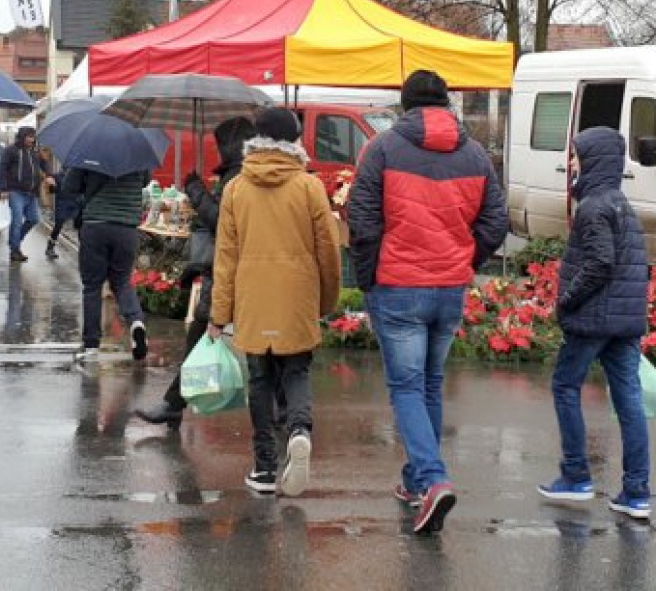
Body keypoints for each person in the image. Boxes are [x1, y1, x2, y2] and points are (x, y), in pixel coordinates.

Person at [348, 70, 507, 533]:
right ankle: (416, 481)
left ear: (407, 104)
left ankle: (433, 479)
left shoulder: (381, 148)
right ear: (446, 103)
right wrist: (465, 258)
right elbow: (495, 221)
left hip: (398, 286)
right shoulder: (475, 153)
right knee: (430, 384)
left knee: (406, 388)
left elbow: (361, 217)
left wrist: (370, 275)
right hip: (448, 288)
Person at [209, 108, 341, 498]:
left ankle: (265, 468)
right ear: (295, 140)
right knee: (296, 373)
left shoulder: (236, 188)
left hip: (252, 297)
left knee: (261, 380)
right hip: (297, 294)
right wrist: (326, 299)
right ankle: (299, 430)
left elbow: (225, 256)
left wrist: (219, 314)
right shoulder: (308, 186)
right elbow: (329, 251)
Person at [537, 127, 651, 521]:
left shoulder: (593, 207)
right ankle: (636, 492)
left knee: (565, 386)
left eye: (576, 155)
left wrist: (566, 302)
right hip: (624, 325)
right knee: (629, 401)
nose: (571, 163)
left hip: (592, 321)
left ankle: (576, 477)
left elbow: (600, 263)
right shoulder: (622, 205)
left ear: (594, 160)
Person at [135, 116, 255, 428]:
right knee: (206, 336)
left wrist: (196, 190)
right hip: (235, 270)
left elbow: (222, 223)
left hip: (233, 272)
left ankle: (281, 411)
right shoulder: (239, 174)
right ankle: (175, 404)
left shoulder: (237, 177)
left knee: (230, 340)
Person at [70, 167, 151, 364]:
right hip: (126, 228)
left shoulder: (87, 151)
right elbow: (145, 182)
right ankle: (136, 321)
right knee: (122, 281)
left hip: (95, 225)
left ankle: (91, 346)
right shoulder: (138, 153)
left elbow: (70, 186)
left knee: (92, 286)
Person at [0, 127, 44, 262]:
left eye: (33, 137)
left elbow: (43, 166)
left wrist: (49, 175)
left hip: (32, 193)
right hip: (16, 192)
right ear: (22, 136)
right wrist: (3, 189)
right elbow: (3, 169)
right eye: (29, 136)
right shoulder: (11, 150)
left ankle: (15, 241)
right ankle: (15, 250)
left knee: (34, 219)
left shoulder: (35, 152)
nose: (32, 139)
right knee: (17, 220)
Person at [44, 166, 79, 260]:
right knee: (58, 225)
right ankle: (50, 247)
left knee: (80, 226)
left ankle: (85, 250)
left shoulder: (80, 174)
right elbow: (52, 191)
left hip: (76, 202)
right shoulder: (57, 176)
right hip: (62, 203)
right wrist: (51, 184)